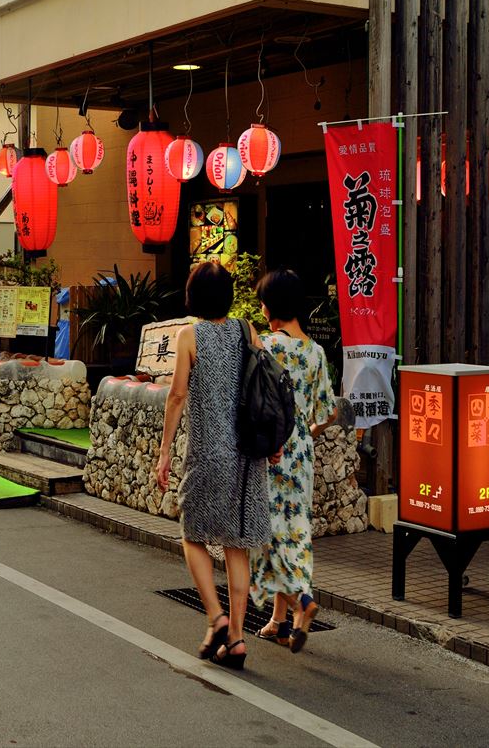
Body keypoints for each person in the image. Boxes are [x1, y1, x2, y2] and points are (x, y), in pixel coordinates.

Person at [155, 261, 276, 671]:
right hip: (247, 456)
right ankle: (237, 640)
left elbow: (176, 397)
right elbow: (266, 388)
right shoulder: (249, 332)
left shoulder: (189, 335)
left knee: (193, 536)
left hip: (208, 453)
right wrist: (273, 441)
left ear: (193, 296)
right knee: (236, 545)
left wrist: (164, 451)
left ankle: (215, 616)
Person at [250, 269, 338, 654]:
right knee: (294, 531)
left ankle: (303, 599)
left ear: (271, 307)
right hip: (301, 452)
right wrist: (307, 432)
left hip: (273, 450)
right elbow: (329, 412)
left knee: (269, 533)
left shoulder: (266, 346)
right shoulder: (316, 353)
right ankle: (279, 621)